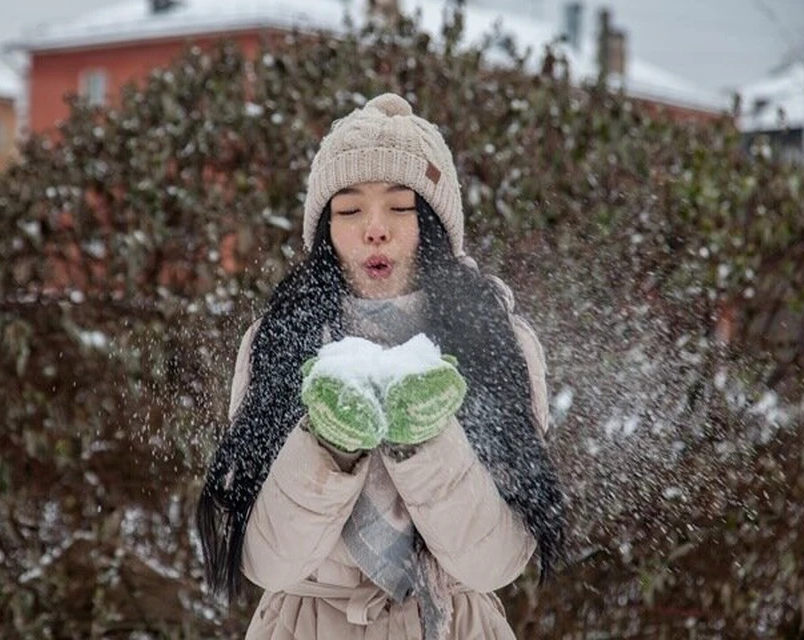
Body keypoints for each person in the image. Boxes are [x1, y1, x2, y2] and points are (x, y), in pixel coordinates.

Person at [196, 92, 566, 640]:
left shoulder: (492, 342)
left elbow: (494, 565)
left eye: (401, 207)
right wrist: (328, 446)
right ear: (324, 231)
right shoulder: (280, 342)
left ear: (437, 226)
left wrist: (426, 444)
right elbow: (269, 565)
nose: (375, 228)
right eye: (349, 209)